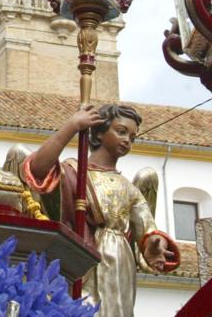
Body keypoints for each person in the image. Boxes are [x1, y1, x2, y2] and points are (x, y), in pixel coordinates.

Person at [17, 103, 179, 313]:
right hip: (83, 257)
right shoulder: (74, 172)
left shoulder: (129, 189)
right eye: (121, 131)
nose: (127, 140)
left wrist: (155, 244)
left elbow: (147, 228)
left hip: (119, 264)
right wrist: (72, 126)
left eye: (132, 137)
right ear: (100, 132)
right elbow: (38, 169)